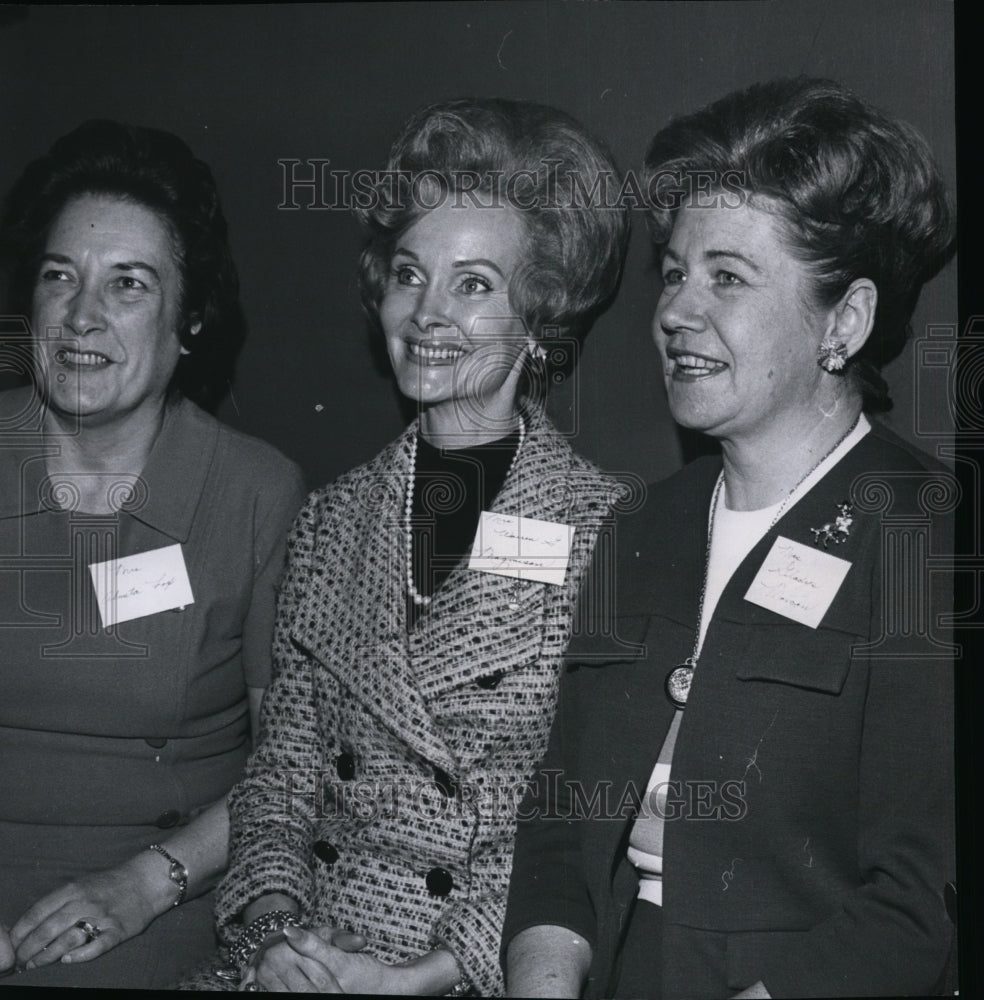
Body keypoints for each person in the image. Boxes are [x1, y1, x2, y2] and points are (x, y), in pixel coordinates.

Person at [503, 77, 957, 999]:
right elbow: (559, 825)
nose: (675, 310)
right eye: (675, 271)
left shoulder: (926, 537)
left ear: (846, 322)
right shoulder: (644, 524)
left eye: (729, 277)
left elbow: (924, 896)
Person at [184, 97, 630, 995]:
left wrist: (429, 972)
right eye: (407, 274)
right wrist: (275, 936)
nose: (426, 313)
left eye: (473, 284)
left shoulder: (606, 528)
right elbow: (281, 773)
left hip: (482, 966)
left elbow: (574, 819)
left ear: (538, 313)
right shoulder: (329, 518)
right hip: (303, 956)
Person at [0, 121, 306, 989]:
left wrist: (145, 884)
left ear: (189, 319)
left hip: (152, 909)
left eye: (127, 285)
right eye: (61, 275)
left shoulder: (253, 494)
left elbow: (292, 764)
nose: (82, 314)